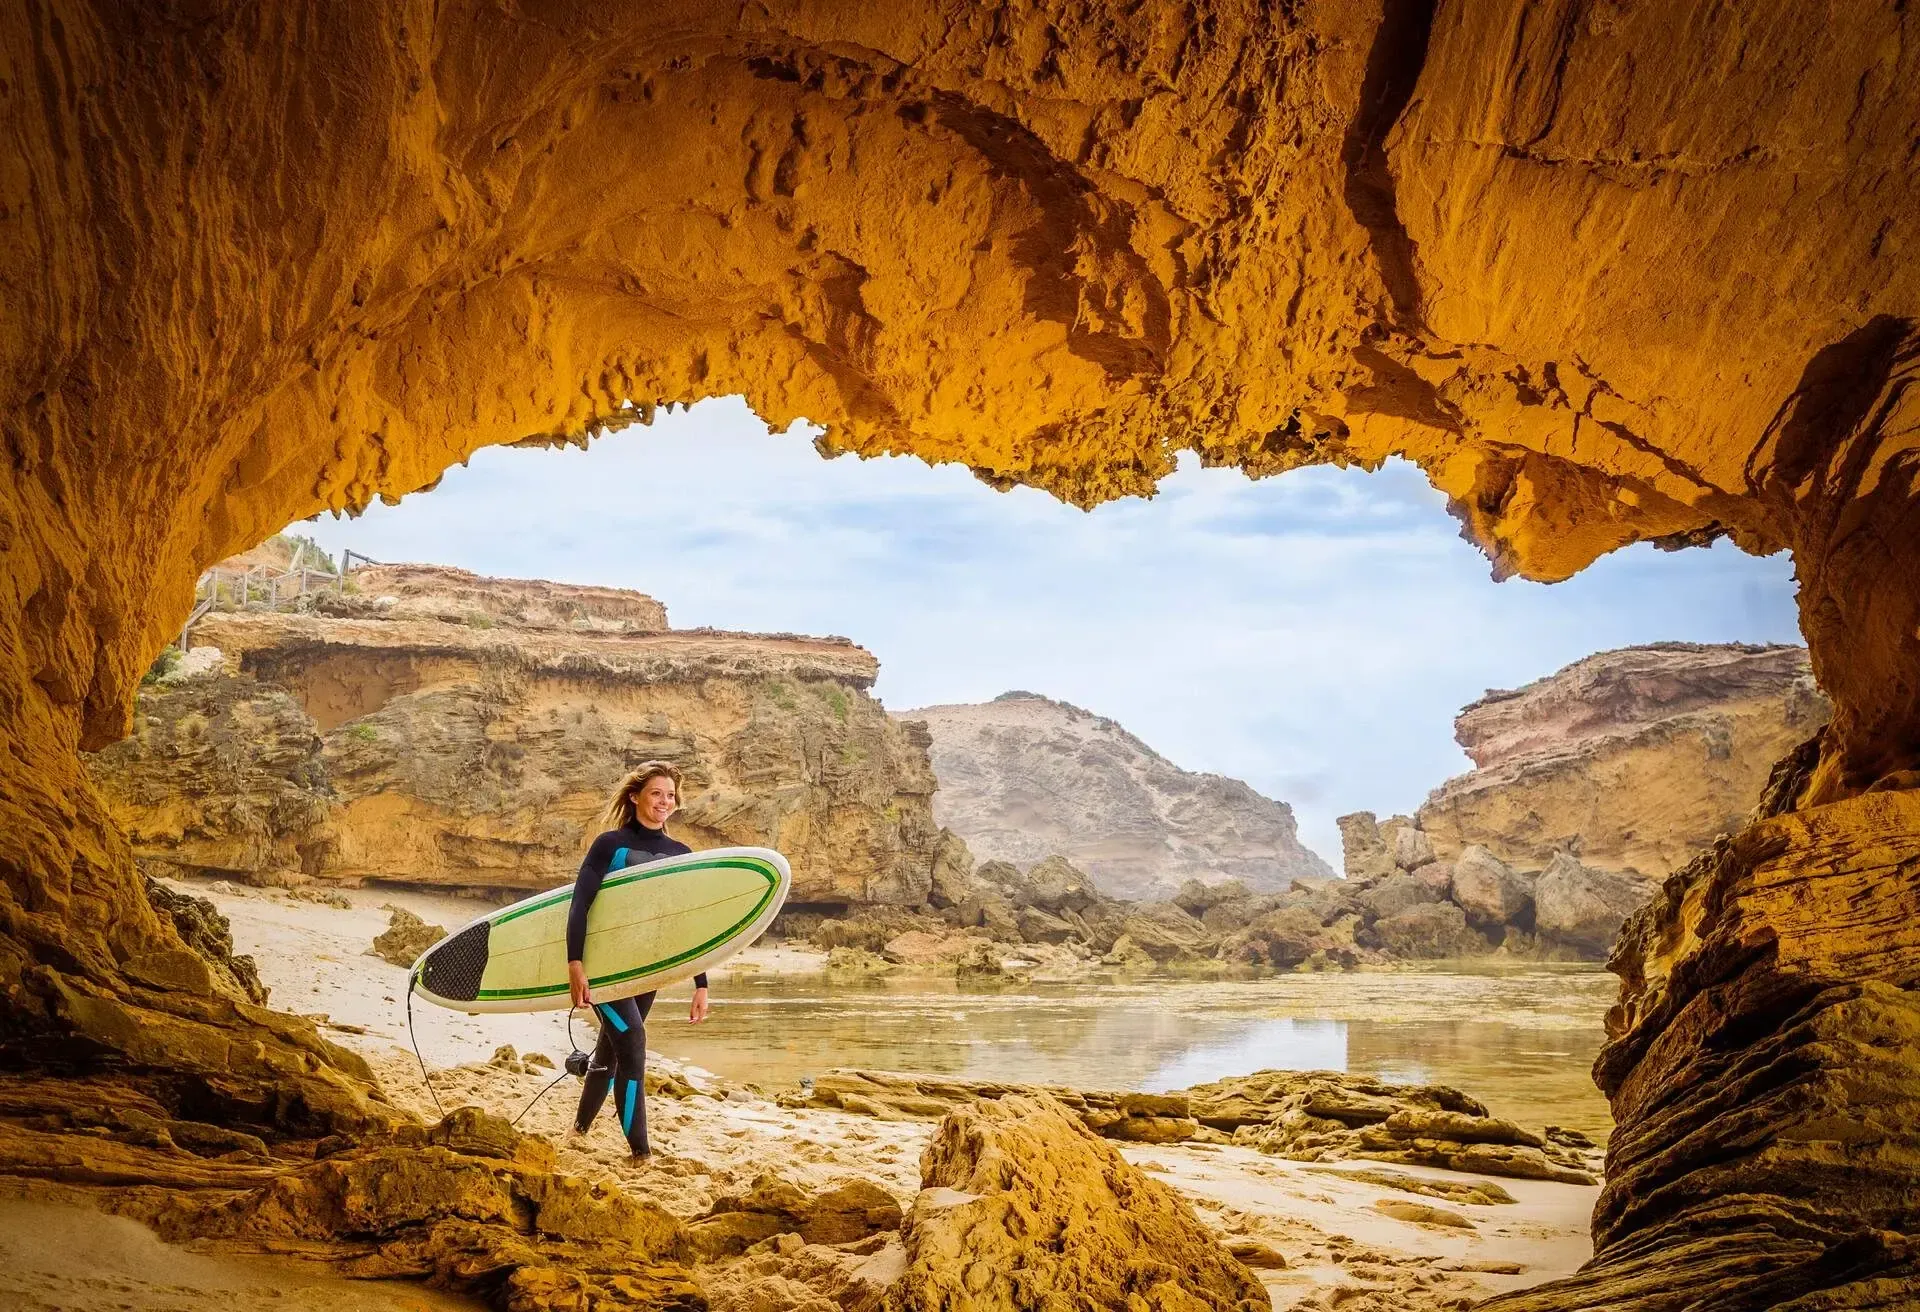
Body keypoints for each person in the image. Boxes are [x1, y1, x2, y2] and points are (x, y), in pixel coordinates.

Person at [566, 761, 710, 1159]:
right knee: (632, 1039)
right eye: (655, 793)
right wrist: (575, 963)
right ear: (635, 797)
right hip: (605, 967)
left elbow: (684, 923)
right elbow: (581, 904)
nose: (664, 801)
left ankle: (579, 1130)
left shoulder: (680, 854)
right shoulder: (610, 845)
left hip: (647, 969)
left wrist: (701, 983)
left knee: (611, 1051)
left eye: (670, 795)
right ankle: (641, 1154)